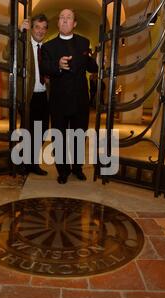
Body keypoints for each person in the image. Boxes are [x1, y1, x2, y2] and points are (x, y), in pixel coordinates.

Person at [41, 9, 98, 184]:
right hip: (58, 100)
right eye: (62, 18)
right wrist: (57, 65)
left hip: (80, 99)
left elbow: (92, 69)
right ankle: (63, 171)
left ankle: (77, 168)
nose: (65, 20)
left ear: (74, 24)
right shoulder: (48, 46)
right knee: (59, 136)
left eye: (69, 18)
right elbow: (44, 68)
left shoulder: (84, 42)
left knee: (79, 136)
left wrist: (91, 58)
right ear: (58, 23)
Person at [3, 14, 49, 176]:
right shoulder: (23, 44)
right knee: (27, 132)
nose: (40, 31)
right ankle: (22, 163)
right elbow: (6, 56)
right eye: (37, 27)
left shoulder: (47, 48)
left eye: (44, 28)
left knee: (42, 131)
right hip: (27, 96)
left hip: (44, 96)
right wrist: (17, 34)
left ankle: (33, 163)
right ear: (31, 28)